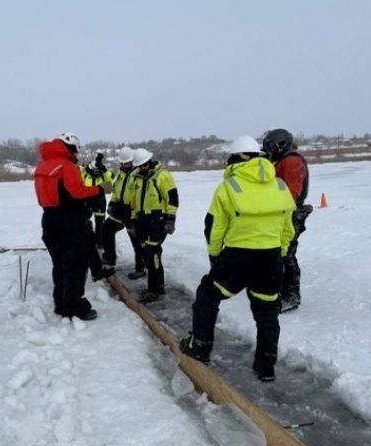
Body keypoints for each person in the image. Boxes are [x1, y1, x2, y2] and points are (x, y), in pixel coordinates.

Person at [179, 135, 296, 382]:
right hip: (271, 258)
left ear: (234, 159)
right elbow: (288, 228)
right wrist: (280, 253)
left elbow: (214, 226)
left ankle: (200, 346)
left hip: (237, 259)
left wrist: (214, 255)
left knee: (207, 296)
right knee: (267, 313)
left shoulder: (228, 187)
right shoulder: (280, 186)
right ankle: (266, 365)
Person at [33, 132, 112, 321]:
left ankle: (61, 303)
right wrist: (98, 189)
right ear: (71, 148)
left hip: (49, 220)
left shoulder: (42, 167)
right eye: (76, 151)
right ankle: (75, 306)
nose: (76, 155)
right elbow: (76, 191)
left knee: (59, 264)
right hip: (70, 222)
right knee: (76, 265)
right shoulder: (66, 166)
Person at [262, 129, 312, 313]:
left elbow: (291, 192)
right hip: (282, 212)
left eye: (269, 146)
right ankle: (278, 292)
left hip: (290, 213)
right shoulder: (280, 161)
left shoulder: (291, 161)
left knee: (286, 255)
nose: (267, 150)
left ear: (280, 144)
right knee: (279, 254)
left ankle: (290, 297)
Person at [128, 148, 178, 303]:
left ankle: (153, 290)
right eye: (139, 166)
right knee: (148, 253)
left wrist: (170, 219)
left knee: (151, 253)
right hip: (142, 220)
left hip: (158, 219)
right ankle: (159, 285)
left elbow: (172, 198)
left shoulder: (162, 175)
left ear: (149, 161)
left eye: (144, 165)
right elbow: (134, 202)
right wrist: (133, 222)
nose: (142, 168)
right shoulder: (136, 178)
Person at [100, 147, 145, 277]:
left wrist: (130, 209)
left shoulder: (138, 174)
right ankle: (109, 257)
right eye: (123, 163)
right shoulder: (120, 174)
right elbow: (116, 193)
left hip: (132, 213)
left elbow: (140, 195)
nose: (125, 165)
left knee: (136, 241)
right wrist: (112, 204)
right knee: (106, 228)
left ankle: (141, 269)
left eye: (128, 162)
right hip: (119, 211)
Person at [80, 152, 113, 247]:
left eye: (98, 171)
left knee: (100, 222)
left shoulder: (103, 174)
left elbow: (112, 177)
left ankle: (100, 241)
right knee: (83, 220)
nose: (96, 172)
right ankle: (85, 239)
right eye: (95, 170)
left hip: (99, 200)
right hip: (86, 199)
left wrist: (104, 169)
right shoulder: (85, 172)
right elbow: (77, 169)